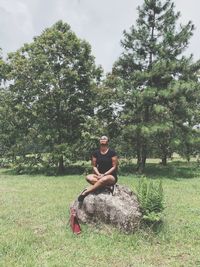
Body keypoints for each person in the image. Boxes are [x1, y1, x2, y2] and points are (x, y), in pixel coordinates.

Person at [78, 135, 118, 202]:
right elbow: (94, 166)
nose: (103, 139)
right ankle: (108, 187)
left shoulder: (112, 153)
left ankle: (86, 192)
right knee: (88, 177)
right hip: (99, 175)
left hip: (110, 176)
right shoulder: (95, 153)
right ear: (99, 141)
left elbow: (114, 166)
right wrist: (99, 174)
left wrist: (104, 175)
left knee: (104, 179)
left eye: (104, 138)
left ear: (108, 141)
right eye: (101, 138)